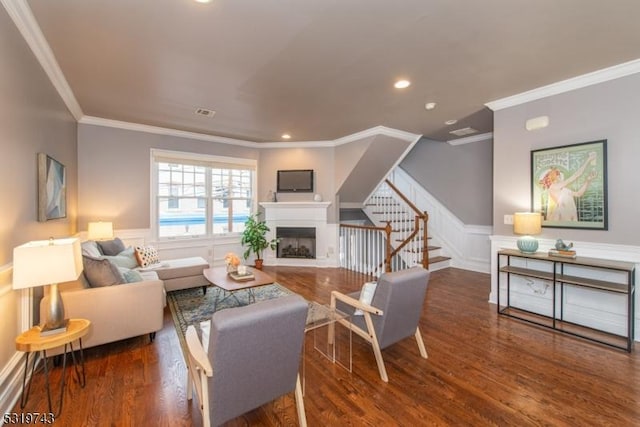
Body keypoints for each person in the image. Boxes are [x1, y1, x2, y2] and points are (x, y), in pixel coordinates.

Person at [539, 152, 597, 222]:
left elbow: (579, 194)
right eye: (557, 174)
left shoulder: (564, 190)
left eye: (558, 174)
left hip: (569, 217)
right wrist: (588, 160)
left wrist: (588, 180)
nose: (559, 175)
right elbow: (576, 175)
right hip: (561, 217)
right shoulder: (553, 187)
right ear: (551, 177)